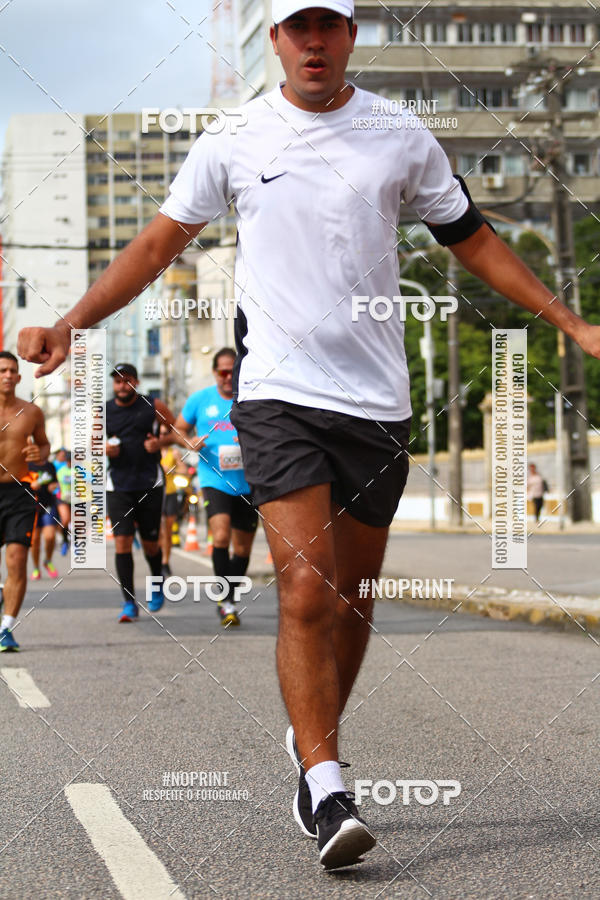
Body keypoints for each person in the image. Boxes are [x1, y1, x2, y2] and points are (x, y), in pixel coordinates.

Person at [17, 0, 600, 867]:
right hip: (278, 395)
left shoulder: (400, 134)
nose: (314, 41)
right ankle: (329, 784)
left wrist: (574, 324)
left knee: (355, 597)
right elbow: (156, 246)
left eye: (329, 25)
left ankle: (311, 739)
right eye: (297, 27)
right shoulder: (235, 138)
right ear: (277, 42)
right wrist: (71, 321)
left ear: (350, 35)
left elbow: (470, 238)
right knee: (303, 590)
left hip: (376, 402)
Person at [173, 348, 258, 627]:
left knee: (243, 549)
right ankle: (226, 600)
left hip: (250, 482)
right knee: (220, 536)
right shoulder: (200, 400)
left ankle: (229, 595)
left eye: (232, 371)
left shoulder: (252, 397)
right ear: (215, 373)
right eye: (222, 372)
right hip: (214, 479)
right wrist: (188, 443)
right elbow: (178, 429)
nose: (227, 377)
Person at [105, 363, 176, 622]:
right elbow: (91, 443)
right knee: (122, 542)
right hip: (118, 485)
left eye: (127, 380)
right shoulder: (104, 411)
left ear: (136, 382)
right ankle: (129, 602)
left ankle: (157, 585)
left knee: (150, 543)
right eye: (118, 381)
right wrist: (104, 449)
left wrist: (160, 441)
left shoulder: (153, 405)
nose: (122, 386)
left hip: (150, 483)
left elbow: (177, 430)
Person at [0, 351, 50, 651]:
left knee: (17, 560)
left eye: (12, 371)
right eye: (2, 370)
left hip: (19, 490)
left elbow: (44, 446)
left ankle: (6, 627)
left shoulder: (31, 412)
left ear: (19, 377)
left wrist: (38, 455)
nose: (7, 375)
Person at [159, 423, 187, 576]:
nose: (162, 437)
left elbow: (183, 469)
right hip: (155, 495)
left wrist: (174, 469)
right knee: (158, 532)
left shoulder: (174, 452)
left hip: (170, 492)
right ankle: (157, 560)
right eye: (160, 434)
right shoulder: (152, 451)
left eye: (165, 434)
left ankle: (165, 562)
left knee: (168, 530)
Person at [29, 458, 59, 580]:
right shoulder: (27, 466)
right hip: (32, 506)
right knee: (35, 540)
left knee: (50, 536)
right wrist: (32, 486)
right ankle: (36, 568)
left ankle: (47, 560)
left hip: (48, 505)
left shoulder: (49, 465)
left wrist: (54, 485)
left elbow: (55, 482)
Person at [54, 448, 72, 555]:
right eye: (68, 460)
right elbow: (59, 482)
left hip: (78, 499)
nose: (70, 462)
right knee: (65, 519)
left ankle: (76, 543)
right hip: (63, 498)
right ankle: (65, 541)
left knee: (78, 522)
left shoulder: (82, 470)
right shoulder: (61, 471)